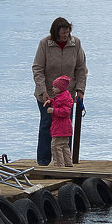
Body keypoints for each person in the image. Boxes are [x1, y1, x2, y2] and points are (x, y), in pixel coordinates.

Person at [32, 17, 88, 166]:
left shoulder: (75, 44)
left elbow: (81, 69)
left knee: (65, 126)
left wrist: (80, 90)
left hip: (67, 96)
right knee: (47, 124)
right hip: (47, 95)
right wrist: (43, 90)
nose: (65, 36)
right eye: (63, 33)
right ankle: (43, 161)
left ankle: (64, 162)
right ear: (55, 32)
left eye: (67, 32)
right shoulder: (45, 44)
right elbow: (37, 69)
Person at [47, 76, 75, 167]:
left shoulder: (63, 98)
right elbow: (58, 105)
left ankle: (59, 165)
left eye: (55, 87)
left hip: (60, 127)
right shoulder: (63, 96)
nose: (53, 89)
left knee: (55, 146)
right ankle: (67, 163)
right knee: (64, 145)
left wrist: (53, 110)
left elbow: (66, 111)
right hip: (64, 127)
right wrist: (50, 102)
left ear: (60, 88)